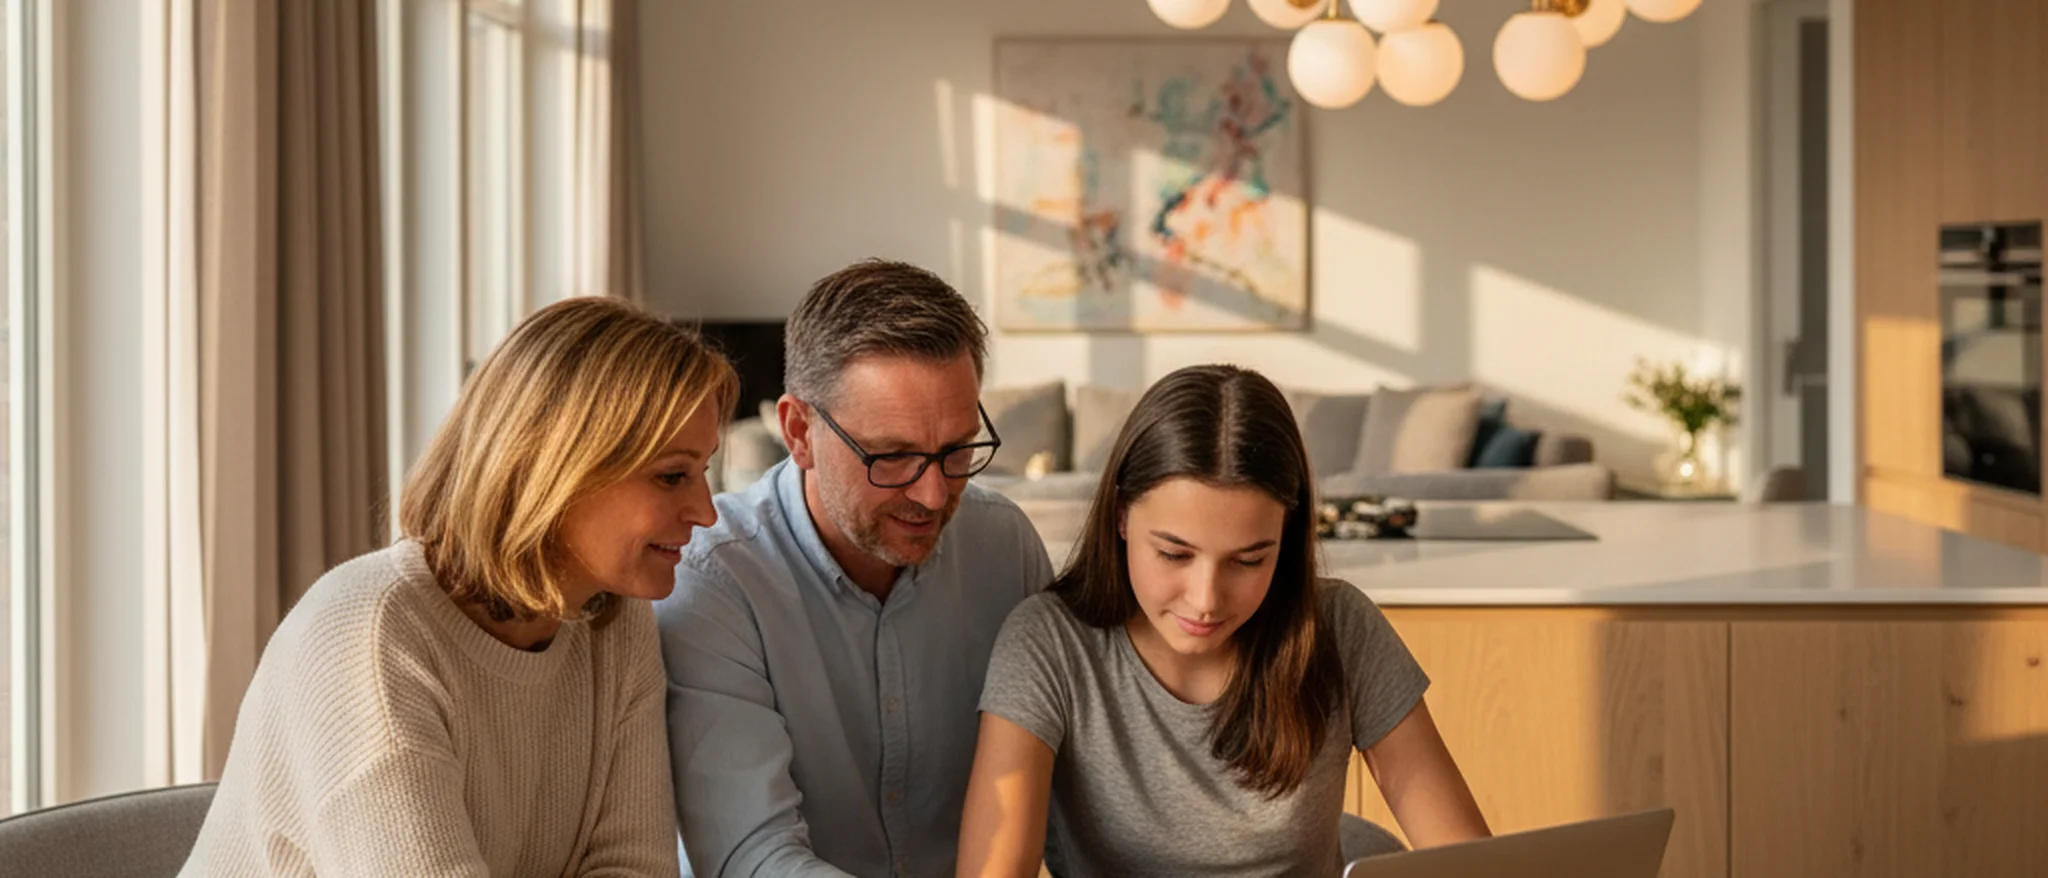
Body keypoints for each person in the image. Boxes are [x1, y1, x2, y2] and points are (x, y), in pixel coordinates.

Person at [182, 296, 737, 876]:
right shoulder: (369, 638)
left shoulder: (615, 624)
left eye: (703, 472)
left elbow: (636, 867)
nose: (705, 512)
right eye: (672, 476)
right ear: (553, 469)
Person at [957, 364, 1492, 877]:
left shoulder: (1341, 628)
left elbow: (1470, 862)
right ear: (1121, 515)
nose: (1206, 600)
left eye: (1249, 560)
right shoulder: (1048, 644)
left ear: (1287, 535)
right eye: (1174, 554)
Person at [658, 259, 1055, 877]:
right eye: (891, 456)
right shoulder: (713, 580)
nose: (932, 495)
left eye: (956, 450)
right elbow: (751, 858)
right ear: (799, 432)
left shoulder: (1005, 547)